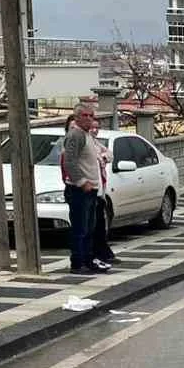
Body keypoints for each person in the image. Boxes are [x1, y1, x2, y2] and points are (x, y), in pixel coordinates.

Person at [61, 105, 110, 275]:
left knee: (89, 228)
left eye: (91, 115)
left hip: (91, 190)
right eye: (85, 115)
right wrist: (82, 182)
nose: (89, 118)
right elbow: (69, 162)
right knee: (80, 229)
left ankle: (88, 261)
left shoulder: (88, 136)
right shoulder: (76, 135)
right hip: (79, 190)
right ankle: (77, 263)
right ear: (76, 117)